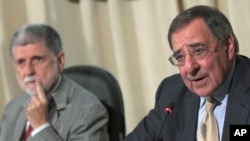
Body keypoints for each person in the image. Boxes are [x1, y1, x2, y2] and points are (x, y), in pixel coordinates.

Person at [124, 5, 250, 141]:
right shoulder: (172, 93)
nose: (189, 67)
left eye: (198, 51)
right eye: (180, 57)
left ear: (228, 46)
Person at [0, 24, 110, 141]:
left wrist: (41, 128)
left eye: (37, 59)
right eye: (21, 62)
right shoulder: (13, 108)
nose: (28, 71)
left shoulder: (89, 112)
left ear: (60, 61)